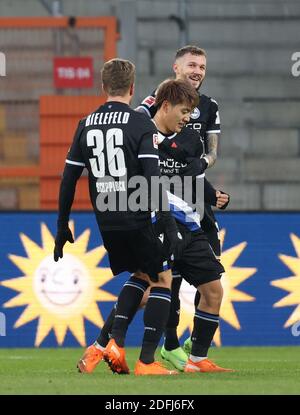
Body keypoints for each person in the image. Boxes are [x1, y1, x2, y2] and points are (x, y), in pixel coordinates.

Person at [78, 79, 233, 375]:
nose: (188, 118)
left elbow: (192, 177)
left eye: (190, 113)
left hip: (190, 223)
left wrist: (213, 195)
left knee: (213, 289)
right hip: (156, 221)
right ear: (165, 105)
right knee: (152, 287)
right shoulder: (138, 131)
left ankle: (197, 357)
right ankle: (108, 348)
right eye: (185, 111)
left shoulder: (188, 140)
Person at [54, 58, 185, 376]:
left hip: (107, 220)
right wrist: (168, 225)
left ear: (102, 87)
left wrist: (62, 225)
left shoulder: (85, 123)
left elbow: (69, 178)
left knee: (141, 275)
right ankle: (147, 362)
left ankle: (110, 345)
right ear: (132, 88)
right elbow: (153, 179)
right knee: (163, 280)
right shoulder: (141, 124)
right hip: (137, 215)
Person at [136, 45, 230, 366]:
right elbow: (136, 129)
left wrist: (202, 164)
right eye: (192, 65)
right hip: (163, 207)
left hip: (196, 207)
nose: (197, 71)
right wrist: (164, 146)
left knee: (212, 283)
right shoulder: (157, 101)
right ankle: (168, 345)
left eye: (202, 67)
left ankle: (195, 352)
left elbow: (212, 154)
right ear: (176, 68)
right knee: (165, 284)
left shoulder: (210, 107)